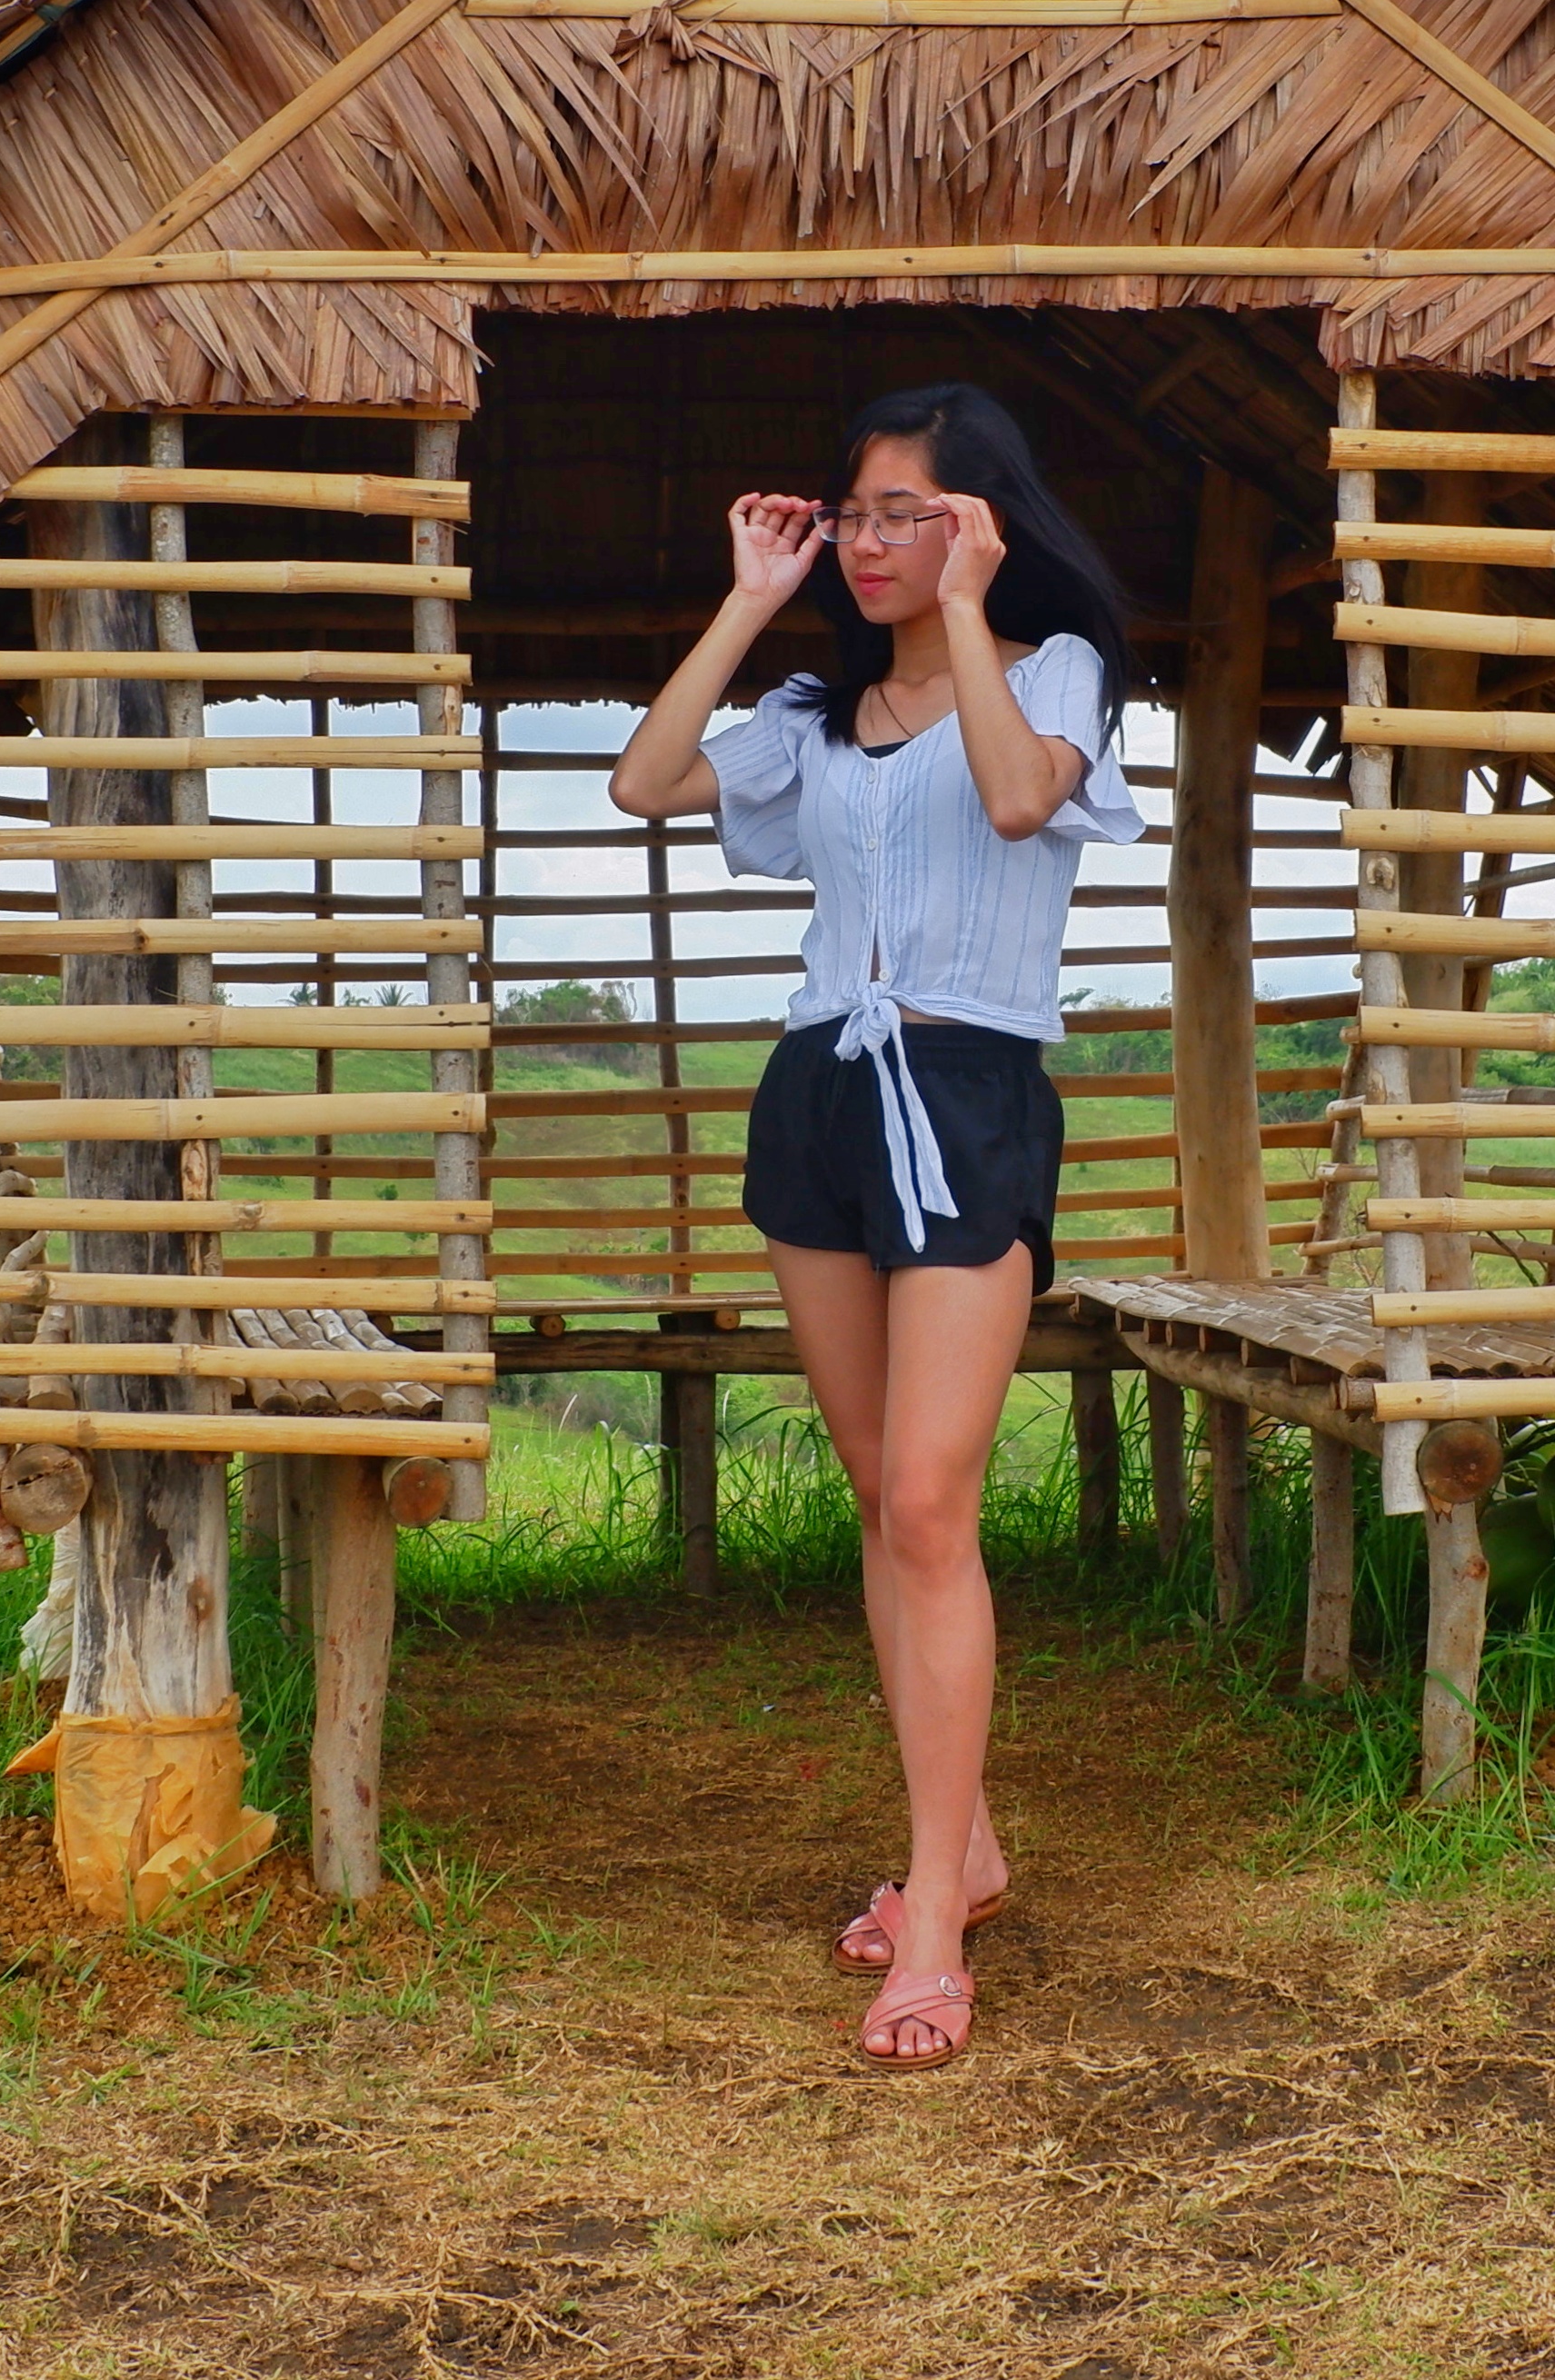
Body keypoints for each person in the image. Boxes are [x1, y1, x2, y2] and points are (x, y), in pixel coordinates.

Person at [605, 381, 1141, 2068]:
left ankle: (931, 1904)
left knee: (929, 1499)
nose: (870, 539)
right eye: (855, 514)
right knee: (879, 1496)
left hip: (970, 1088)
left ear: (981, 522)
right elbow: (640, 780)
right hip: (820, 1094)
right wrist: (750, 601)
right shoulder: (810, 712)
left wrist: (972, 612)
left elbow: (1006, 802)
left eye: (906, 510)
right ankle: (960, 1843)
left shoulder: (1048, 672)